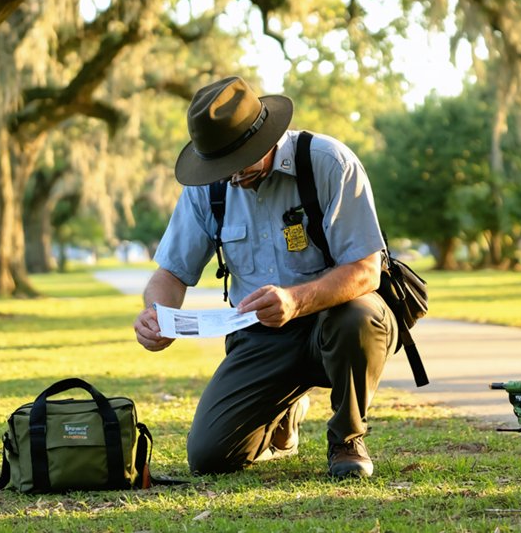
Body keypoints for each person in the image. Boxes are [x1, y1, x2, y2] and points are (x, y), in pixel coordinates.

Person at [133, 76, 396, 479]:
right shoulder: (209, 188)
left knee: (358, 317)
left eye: (238, 164)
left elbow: (366, 269)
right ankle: (284, 415)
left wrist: (296, 301)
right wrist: (157, 314)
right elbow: (170, 273)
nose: (231, 177)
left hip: (334, 323)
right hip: (260, 335)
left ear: (265, 138)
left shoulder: (328, 163)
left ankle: (347, 438)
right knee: (209, 458)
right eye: (220, 167)